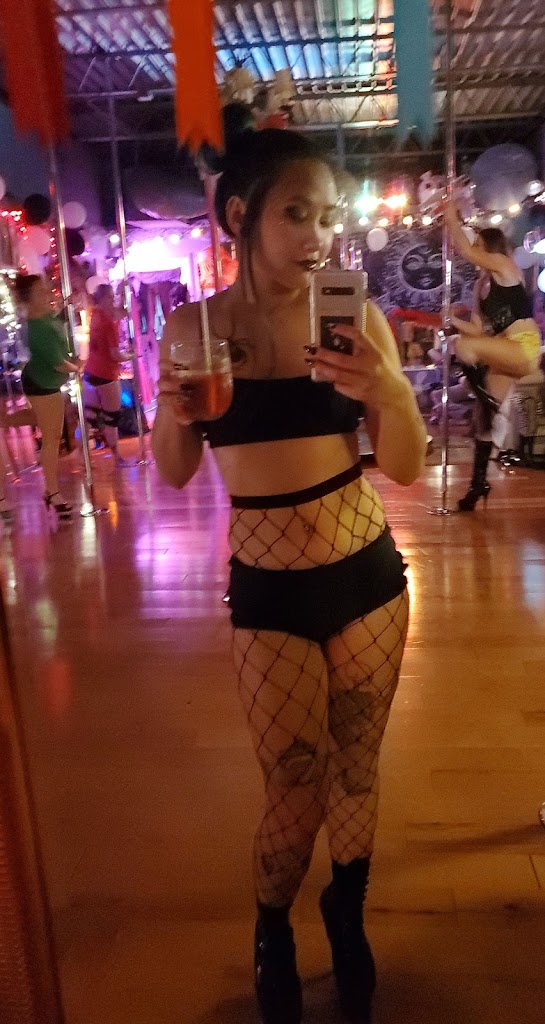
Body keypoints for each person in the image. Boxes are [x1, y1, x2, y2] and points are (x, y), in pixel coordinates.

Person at [152, 128, 427, 1024]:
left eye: (328, 216)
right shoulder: (194, 330)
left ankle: (345, 914)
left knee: (356, 767)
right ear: (241, 214)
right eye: (296, 214)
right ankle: (272, 928)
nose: (318, 235)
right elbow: (175, 473)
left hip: (365, 573)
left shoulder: (354, 317)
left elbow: (405, 466)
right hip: (267, 588)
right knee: (291, 781)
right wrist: (170, 411)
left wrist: (390, 391)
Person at [445, 203, 541, 510]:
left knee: (464, 347)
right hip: (504, 351)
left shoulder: (504, 265)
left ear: (488, 247)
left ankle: (487, 401)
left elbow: (465, 250)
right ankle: (478, 485)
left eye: (477, 245)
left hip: (523, 345)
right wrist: (451, 319)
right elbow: (477, 328)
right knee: (482, 421)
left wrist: (451, 218)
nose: (473, 250)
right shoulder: (481, 285)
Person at [13, 274, 81, 521]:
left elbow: (57, 329)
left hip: (47, 382)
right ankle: (52, 493)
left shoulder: (45, 316)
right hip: (42, 382)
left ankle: (5, 421)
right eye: (40, 291)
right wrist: (77, 367)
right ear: (29, 298)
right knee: (51, 438)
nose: (46, 292)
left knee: (49, 429)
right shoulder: (36, 327)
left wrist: (64, 310)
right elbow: (57, 363)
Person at [83, 283, 134, 466]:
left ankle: (82, 456)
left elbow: (120, 313)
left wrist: (123, 299)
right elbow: (115, 355)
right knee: (111, 418)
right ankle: (117, 457)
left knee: (88, 417)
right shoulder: (108, 324)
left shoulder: (95, 315)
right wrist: (130, 355)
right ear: (104, 299)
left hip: (90, 371)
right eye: (111, 297)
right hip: (106, 374)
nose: (113, 301)